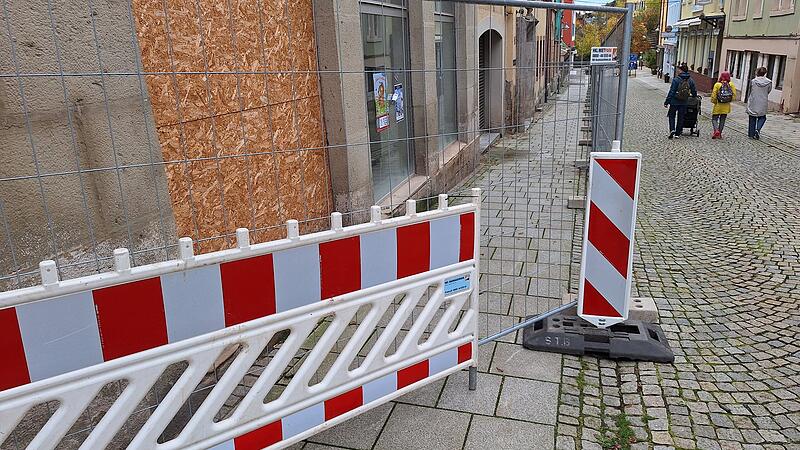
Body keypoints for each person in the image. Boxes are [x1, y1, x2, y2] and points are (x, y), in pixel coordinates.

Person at [664, 63, 697, 139]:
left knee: (672, 116)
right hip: (684, 102)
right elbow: (694, 91)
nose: (677, 71)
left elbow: (672, 92)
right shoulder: (690, 80)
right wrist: (694, 96)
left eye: (679, 69)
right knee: (681, 117)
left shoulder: (676, 80)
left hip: (674, 101)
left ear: (681, 70)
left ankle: (672, 129)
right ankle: (677, 133)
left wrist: (667, 102)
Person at [746, 67, 772, 140]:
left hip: (754, 100)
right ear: (765, 73)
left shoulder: (753, 81)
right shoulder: (769, 82)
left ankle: (751, 134)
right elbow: (769, 90)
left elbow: (750, 90)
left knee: (752, 117)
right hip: (763, 101)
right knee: (762, 117)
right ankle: (758, 129)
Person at [709, 71, 736, 139]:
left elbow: (714, 95)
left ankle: (716, 130)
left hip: (718, 105)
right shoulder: (731, 84)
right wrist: (729, 100)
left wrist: (714, 102)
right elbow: (734, 95)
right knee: (722, 120)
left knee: (714, 118)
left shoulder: (717, 84)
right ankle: (719, 134)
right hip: (726, 106)